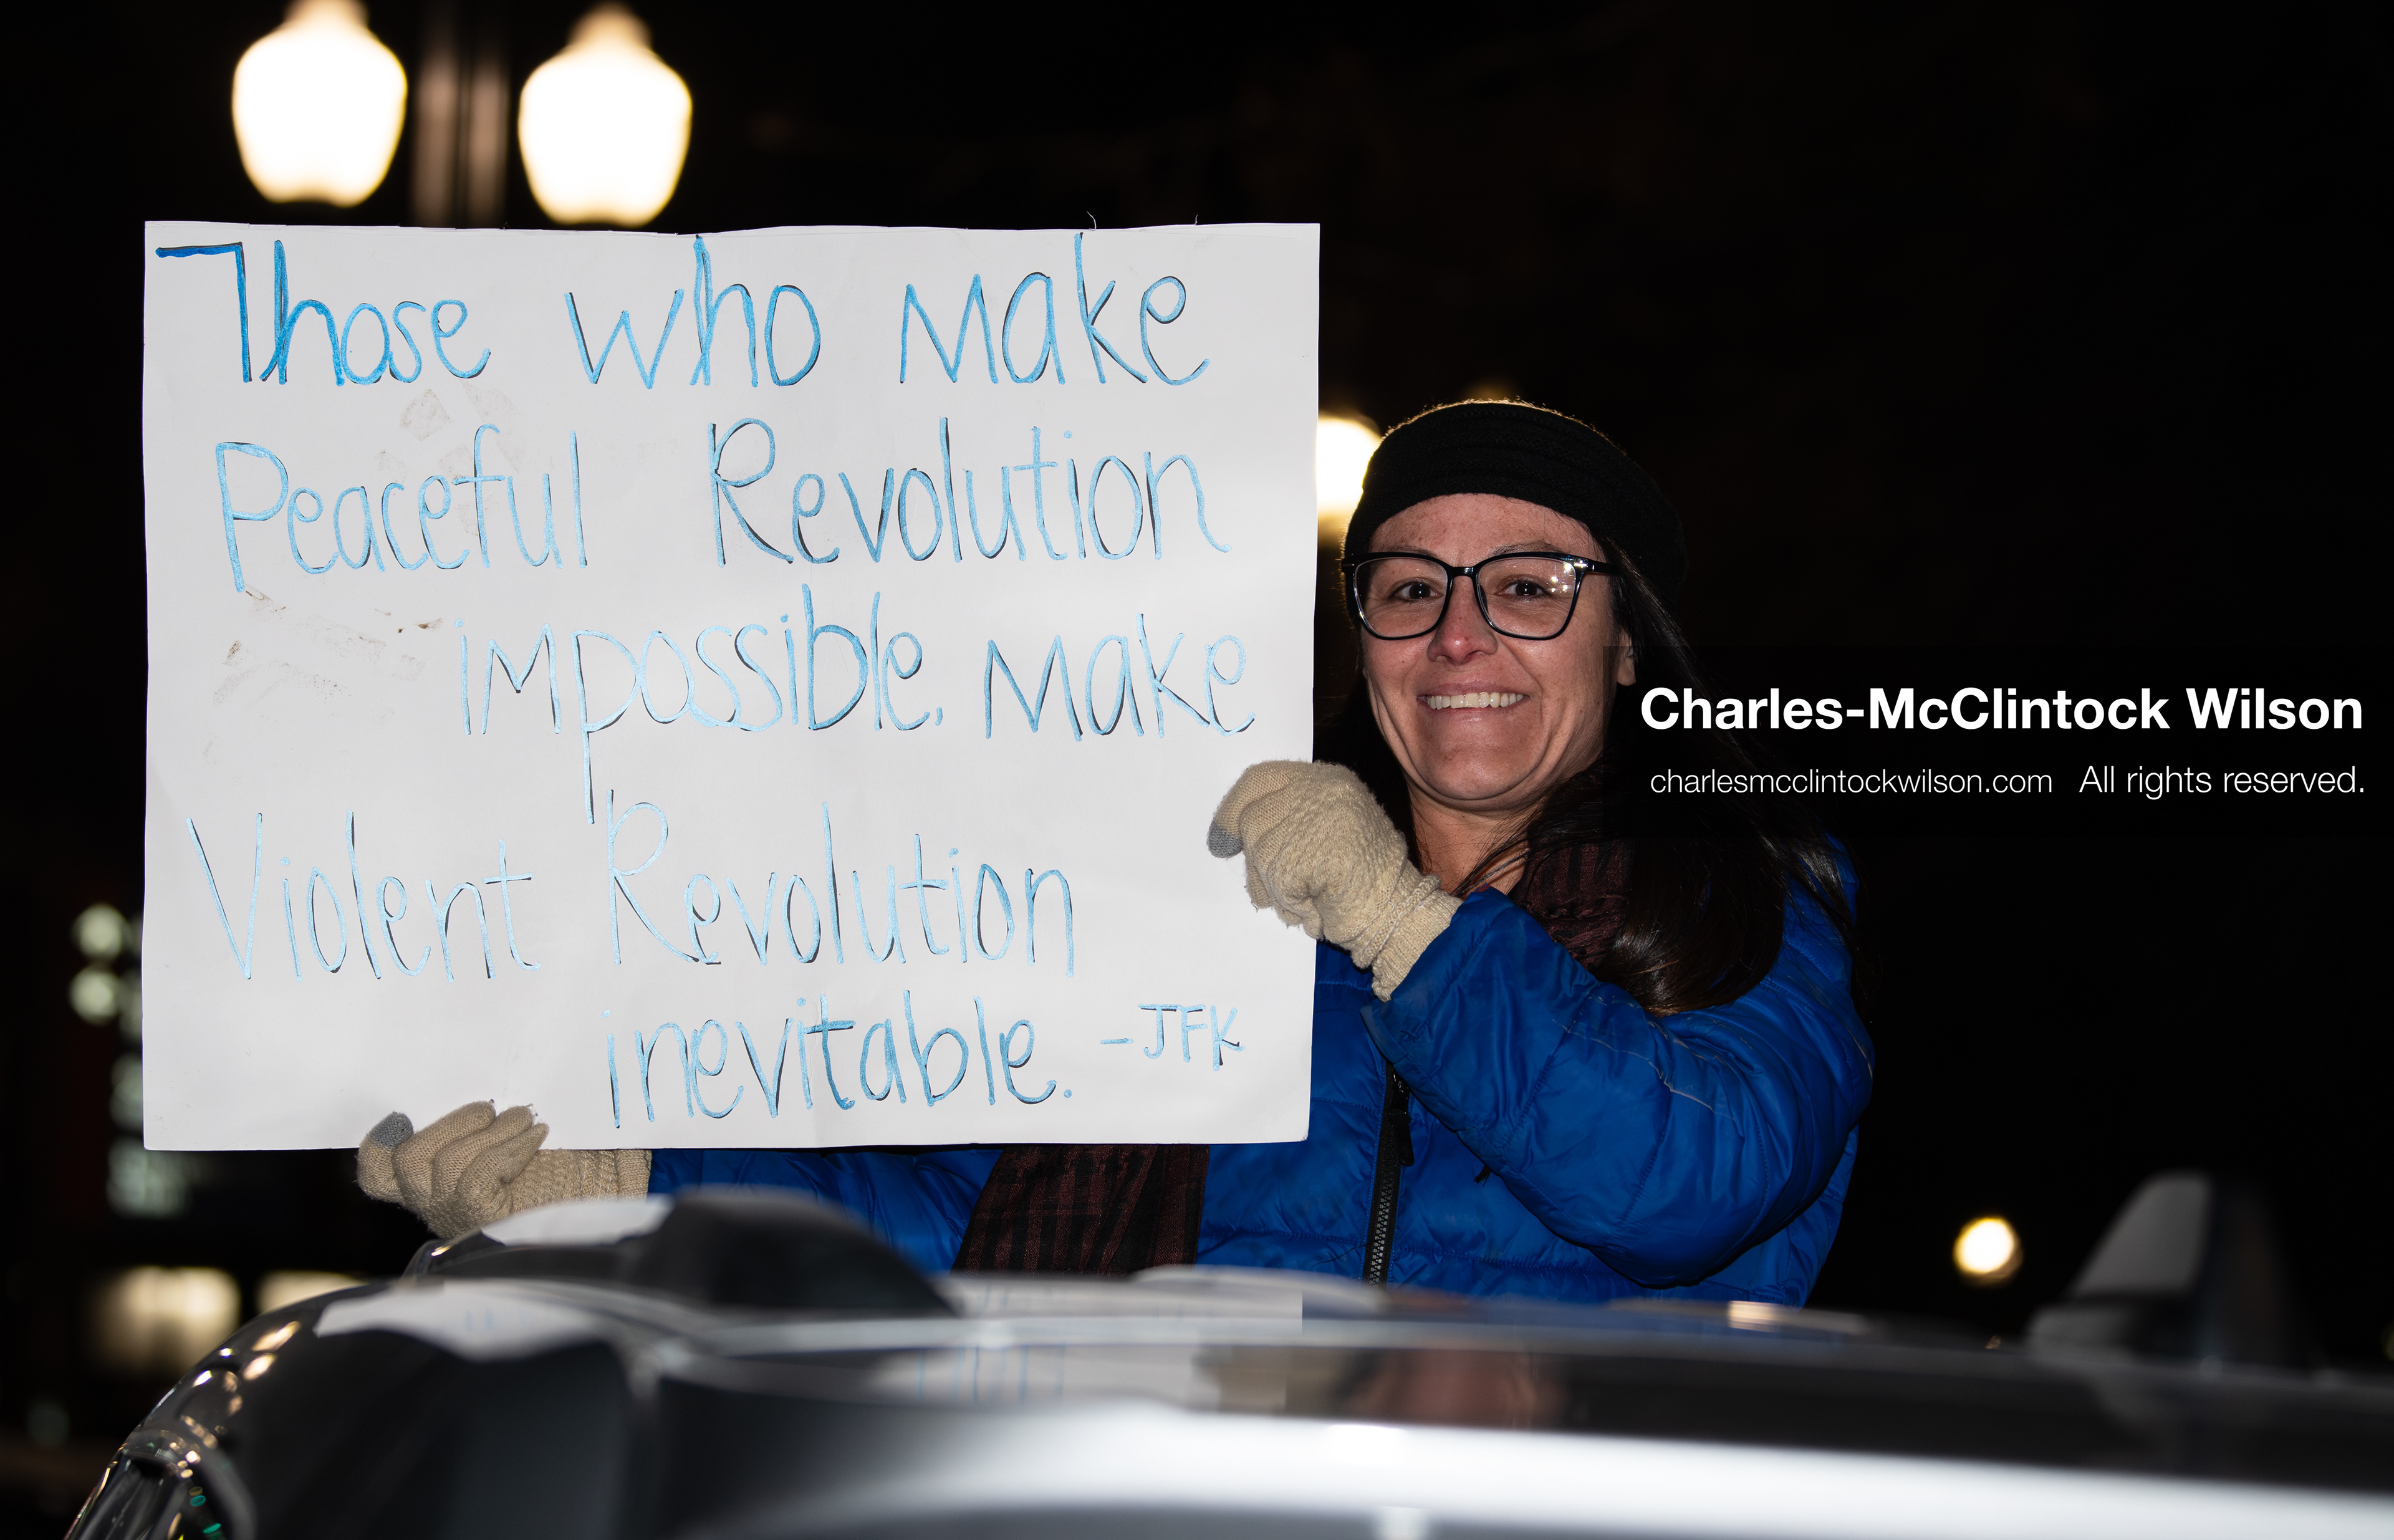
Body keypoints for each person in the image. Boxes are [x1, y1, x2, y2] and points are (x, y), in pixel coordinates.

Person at [361, 400, 1872, 1304]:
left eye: (1530, 584)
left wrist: (1402, 924)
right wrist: (616, 1178)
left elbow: (1685, 1176)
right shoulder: (1230, 928)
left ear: (1626, 650)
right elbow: (966, 1204)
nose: (1462, 631)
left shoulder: (1743, 903)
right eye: (1410, 587)